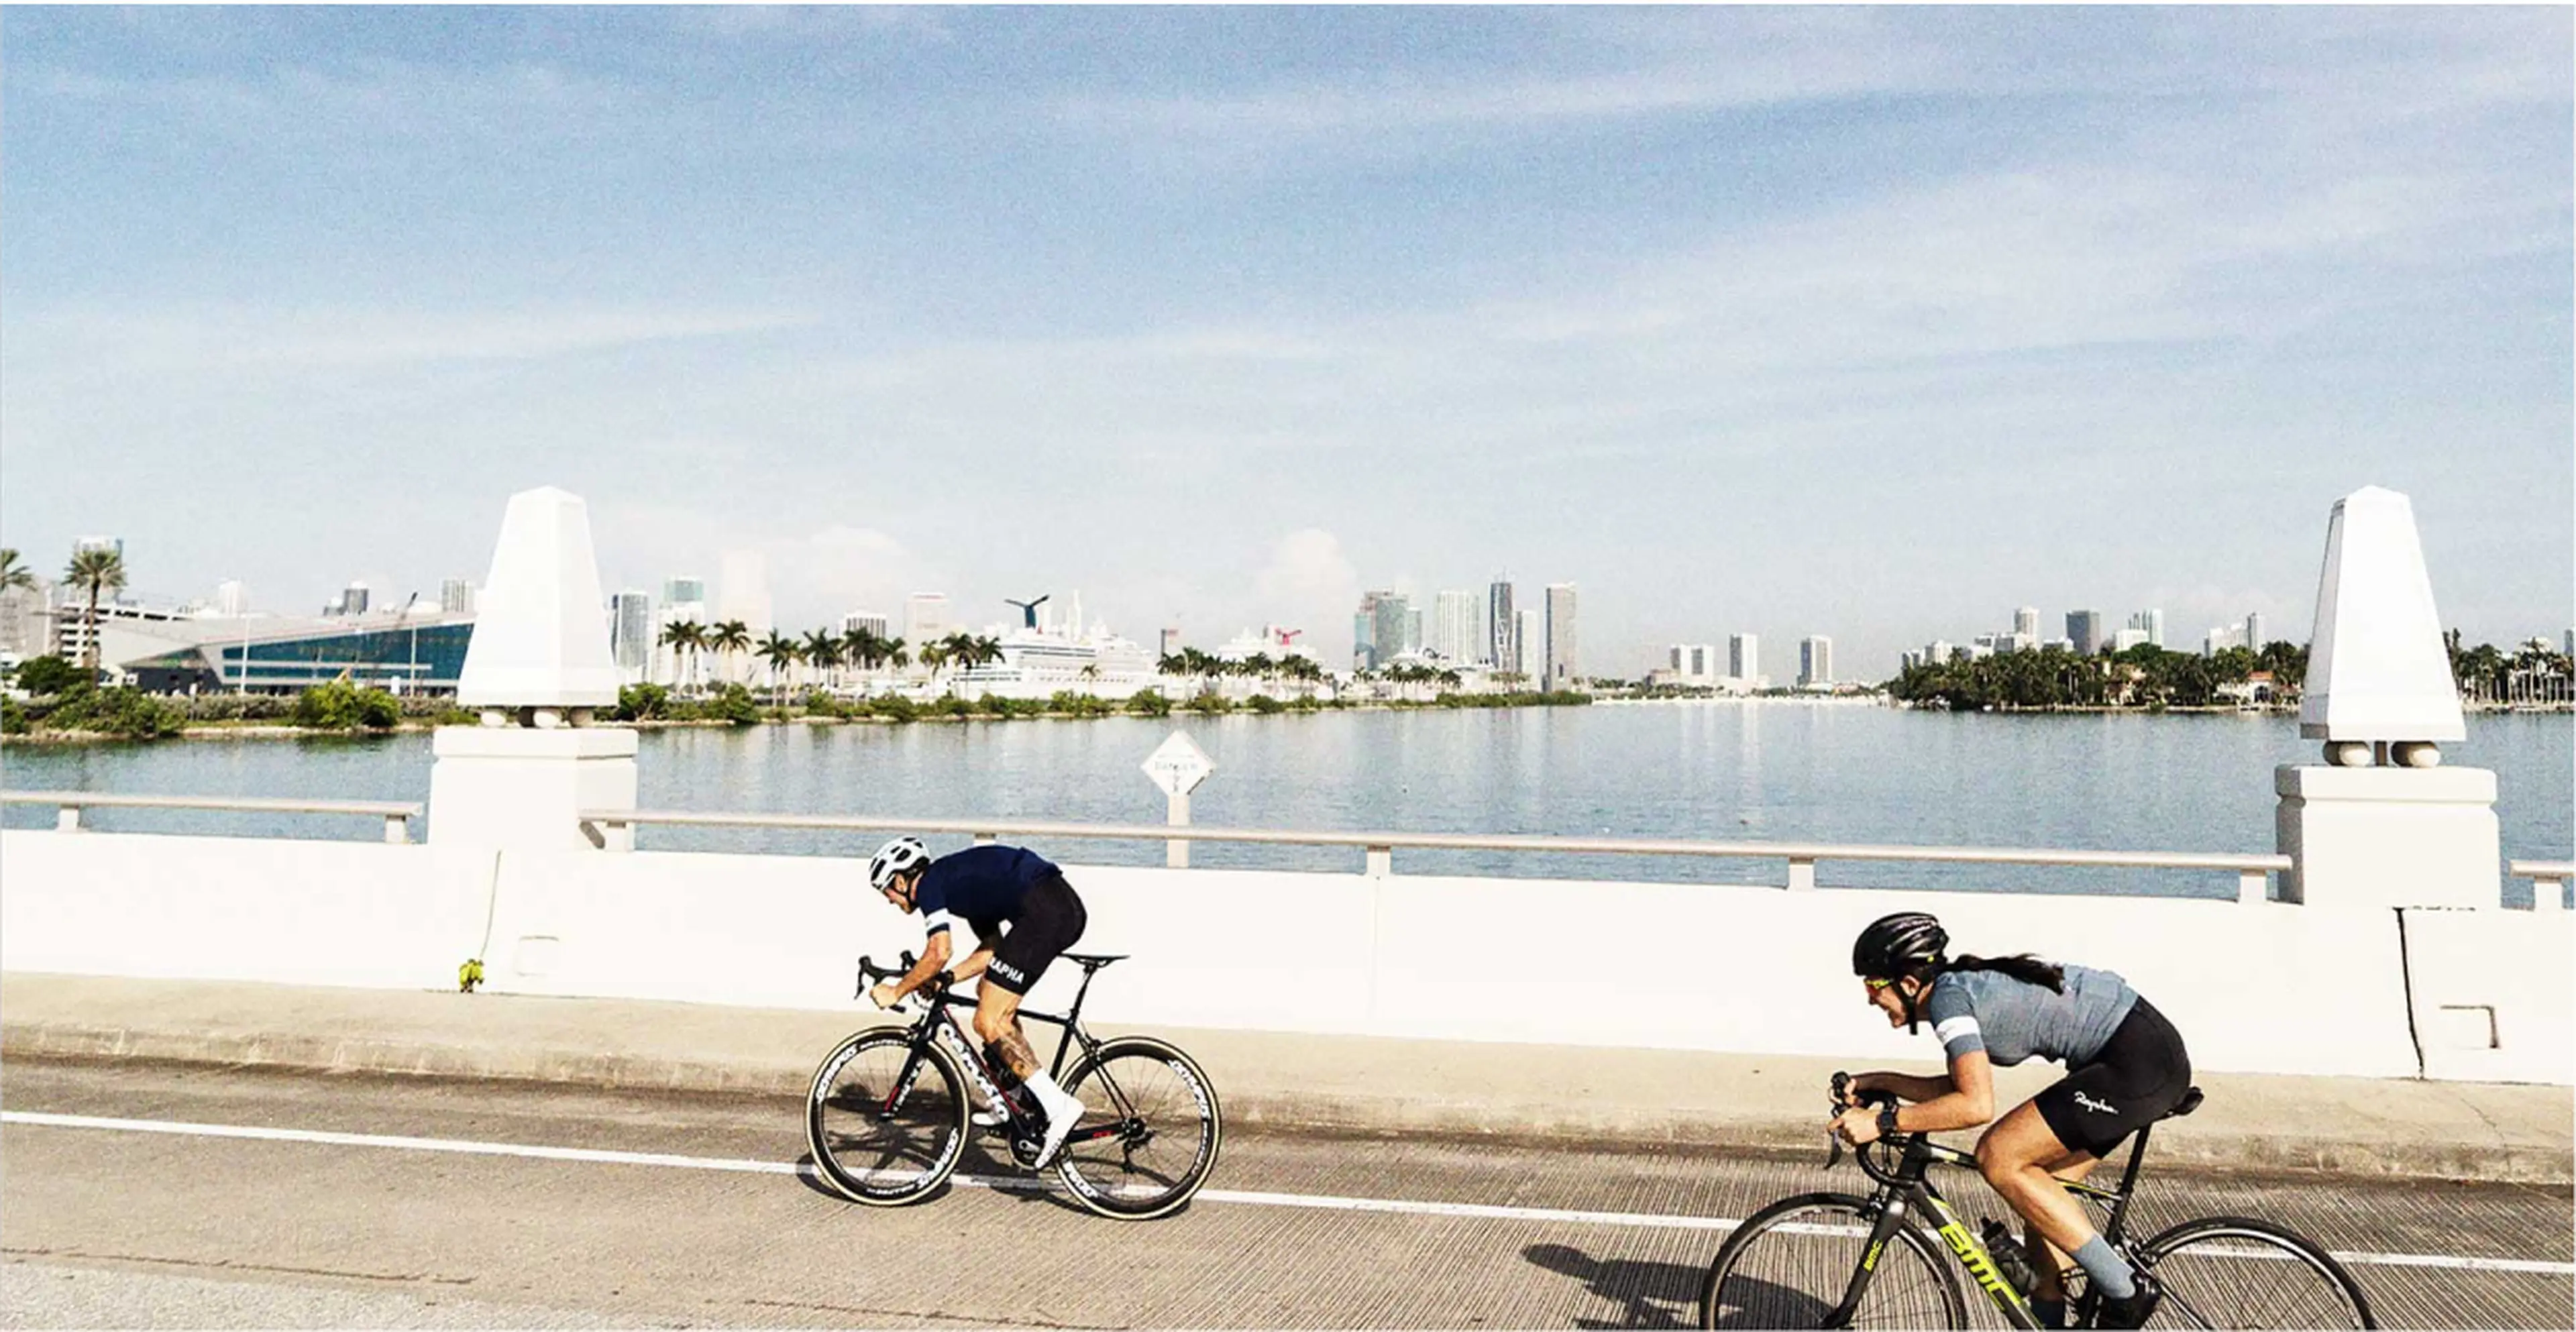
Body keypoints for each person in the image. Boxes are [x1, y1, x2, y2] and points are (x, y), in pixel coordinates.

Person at [1833, 911, 2189, 1330]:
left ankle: (2126, 1291)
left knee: (1998, 1155)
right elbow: (1961, 1084)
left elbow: (1975, 1105)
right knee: (2037, 1196)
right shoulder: (1955, 991)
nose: (1870, 998)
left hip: (2136, 1063)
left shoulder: (1949, 1002)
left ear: (1909, 984)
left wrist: (1884, 1123)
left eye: (1873, 986)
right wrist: (1878, 1083)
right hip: (2137, 1056)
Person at [865, 836, 1089, 1166]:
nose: (889, 900)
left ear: (900, 879)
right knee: (989, 992)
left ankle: (1059, 1106)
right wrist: (946, 979)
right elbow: (992, 949)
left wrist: (897, 990)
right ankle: (1017, 1099)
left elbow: (939, 950)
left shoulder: (930, 885)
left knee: (987, 1021)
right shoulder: (962, 891)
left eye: (886, 891)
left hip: (1047, 910)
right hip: (1056, 906)